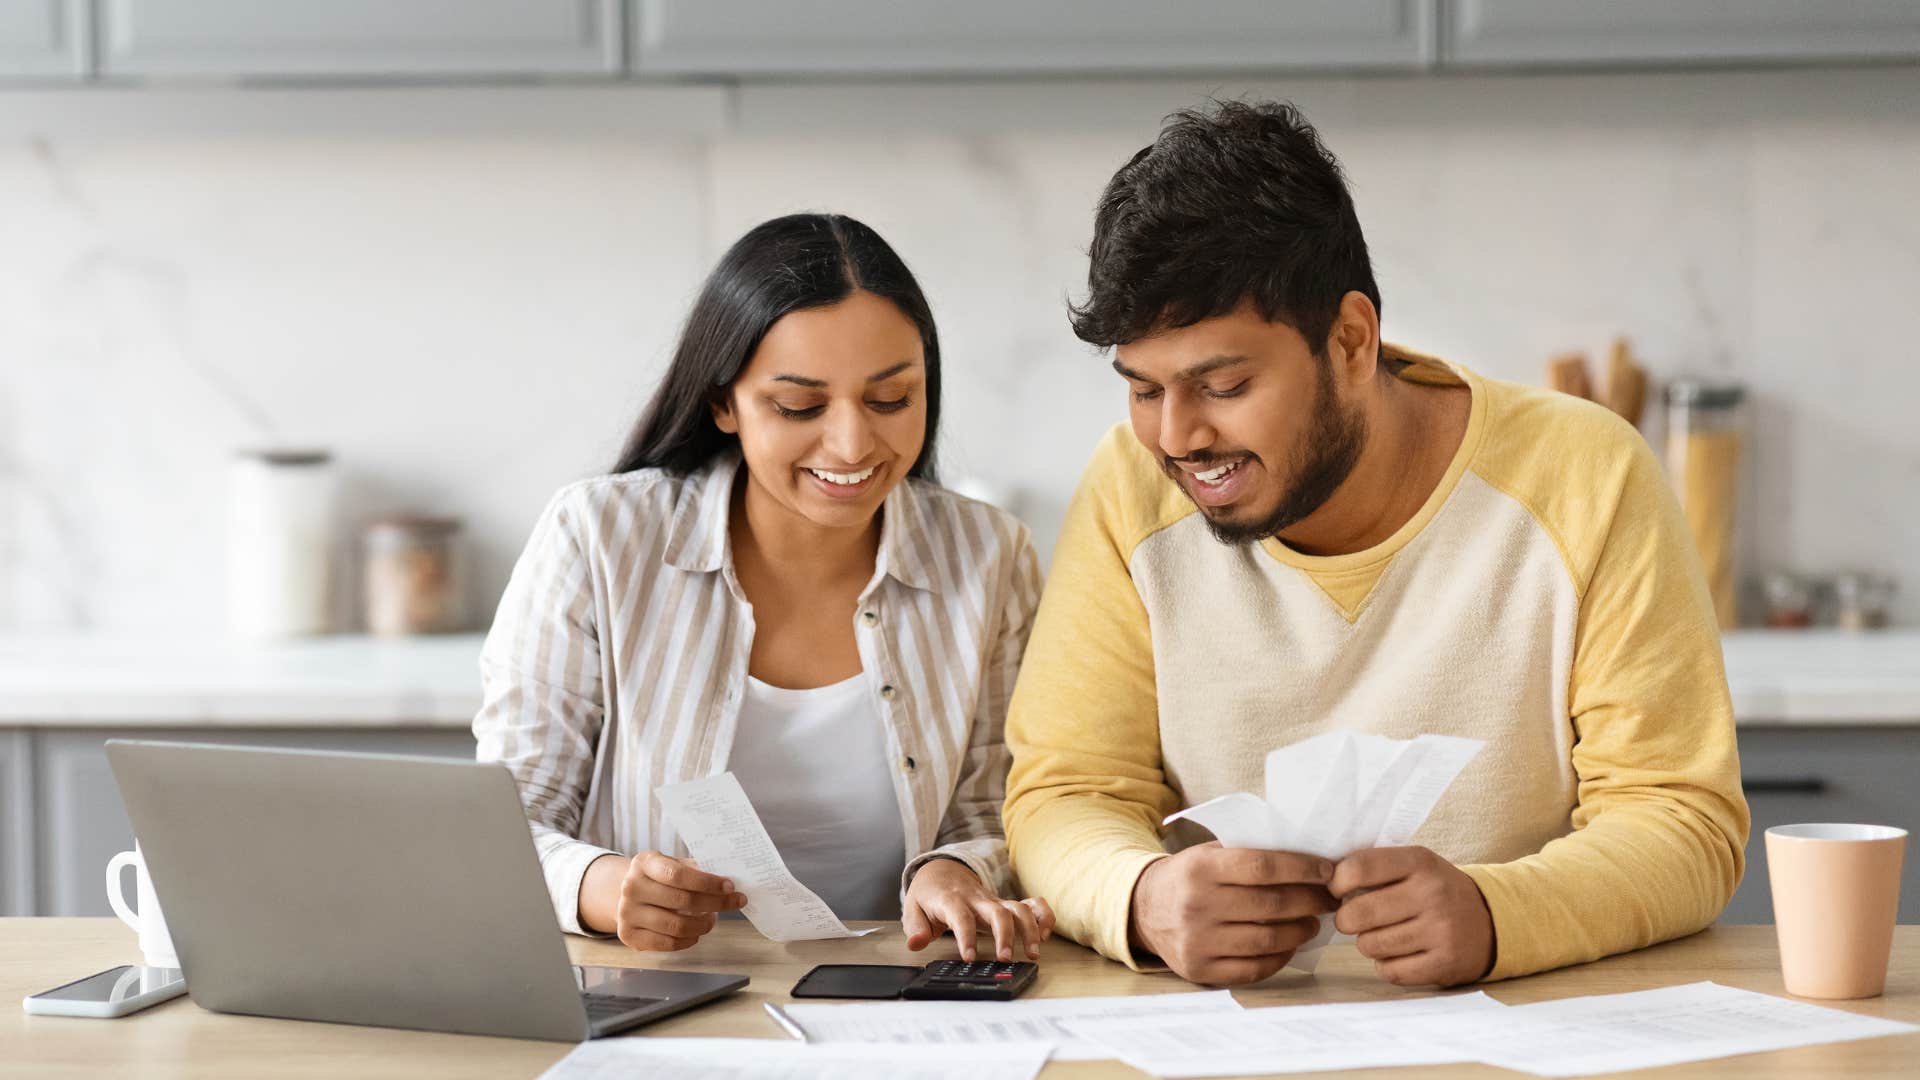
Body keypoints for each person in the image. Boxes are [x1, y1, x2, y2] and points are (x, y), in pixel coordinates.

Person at [1003, 100, 1748, 987]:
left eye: (1225, 384)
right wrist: (1143, 896)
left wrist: (1499, 915)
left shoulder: (1586, 476)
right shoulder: (1131, 485)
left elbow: (1681, 820)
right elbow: (1066, 791)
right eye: (1143, 389)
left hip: (1533, 1032)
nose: (1177, 437)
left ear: (1352, 340)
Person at [476, 213, 1053, 962]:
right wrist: (603, 888)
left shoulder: (990, 555)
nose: (851, 444)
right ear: (724, 404)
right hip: (660, 993)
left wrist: (955, 871)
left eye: (890, 400)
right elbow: (506, 820)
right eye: (798, 406)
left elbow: (1000, 809)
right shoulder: (597, 538)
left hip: (905, 991)